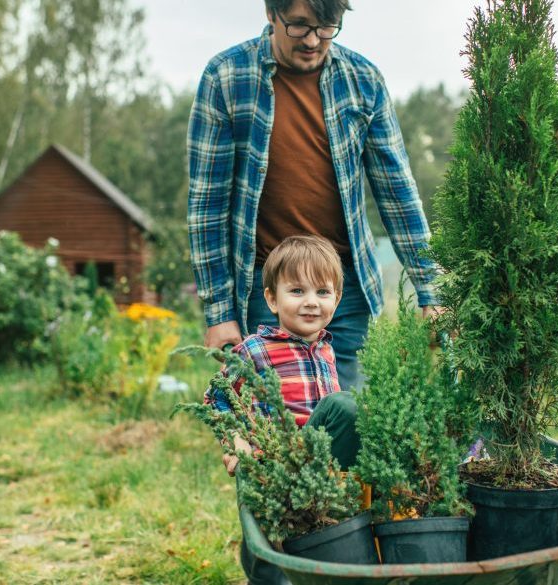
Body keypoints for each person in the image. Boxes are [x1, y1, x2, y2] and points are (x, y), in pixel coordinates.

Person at [187, 0, 440, 393]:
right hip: (266, 287)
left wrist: (430, 288)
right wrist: (219, 312)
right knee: (272, 419)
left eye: (326, 27)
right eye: (299, 26)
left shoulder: (363, 79)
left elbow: (397, 192)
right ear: (272, 14)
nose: (313, 40)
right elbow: (207, 205)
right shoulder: (227, 77)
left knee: (347, 416)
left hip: (341, 287)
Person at [204, 235, 359, 585]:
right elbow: (217, 397)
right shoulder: (255, 349)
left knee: (302, 534)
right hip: (272, 461)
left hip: (318, 468)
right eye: (297, 291)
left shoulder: (327, 351)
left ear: (337, 298)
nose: (311, 303)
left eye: (322, 292)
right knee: (269, 544)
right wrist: (235, 442)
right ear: (272, 299)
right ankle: (261, 569)